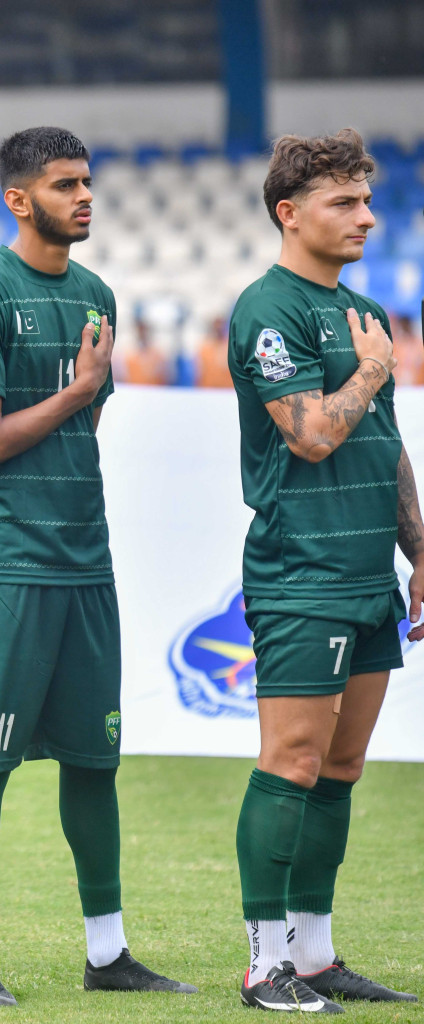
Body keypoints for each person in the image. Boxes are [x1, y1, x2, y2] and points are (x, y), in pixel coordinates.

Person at [0, 127, 195, 1006]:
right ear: (18, 198)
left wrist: (75, 409)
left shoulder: (95, 295)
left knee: (94, 761)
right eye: (65, 184)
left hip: (85, 560)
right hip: (8, 568)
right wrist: (73, 395)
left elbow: (76, 434)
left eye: (88, 181)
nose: (84, 196)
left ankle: (108, 954)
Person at [226, 128, 420, 1012]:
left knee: (342, 768)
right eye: (345, 202)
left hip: (366, 575)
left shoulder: (370, 314)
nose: (366, 218)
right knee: (292, 761)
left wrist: (419, 547)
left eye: (367, 201)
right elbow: (310, 435)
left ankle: (315, 954)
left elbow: (383, 446)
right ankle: (263, 963)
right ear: (289, 212)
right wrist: (373, 375)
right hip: (301, 576)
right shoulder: (267, 310)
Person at [125, 319, 173, 385]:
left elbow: (165, 377)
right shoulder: (131, 356)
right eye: (140, 331)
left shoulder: (158, 355)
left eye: (144, 331)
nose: (142, 334)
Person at [196, 317, 233, 387]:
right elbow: (199, 373)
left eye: (221, 326)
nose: (218, 329)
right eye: (216, 327)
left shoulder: (231, 347)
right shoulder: (205, 348)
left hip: (228, 392)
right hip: (209, 390)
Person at [390, 313, 422, 385]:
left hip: (417, 385)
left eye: (405, 327)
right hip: (398, 385)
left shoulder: (418, 343)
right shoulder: (395, 344)